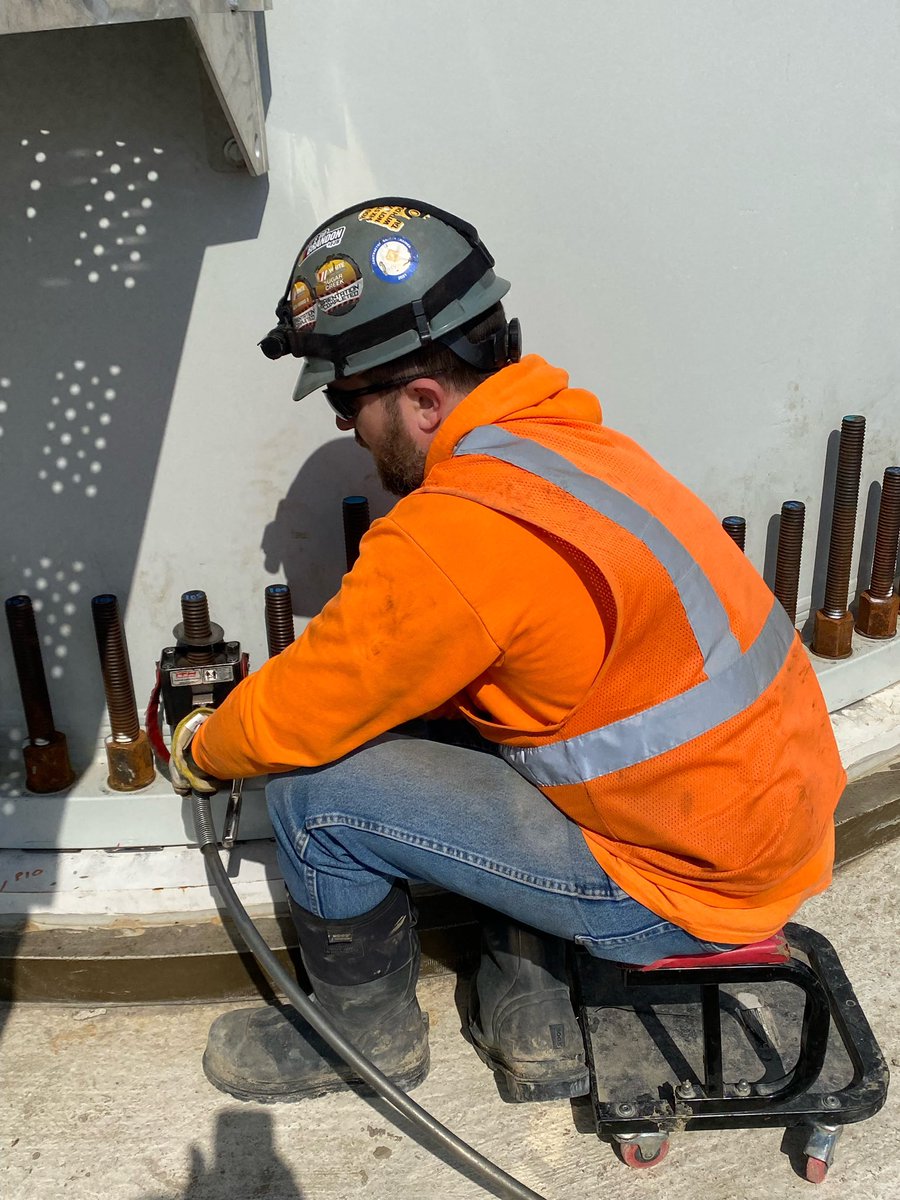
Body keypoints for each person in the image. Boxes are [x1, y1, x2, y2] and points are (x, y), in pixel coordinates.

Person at [173, 197, 845, 1105]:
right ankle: (525, 969)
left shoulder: (454, 539)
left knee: (309, 787)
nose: (342, 427)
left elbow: (303, 710)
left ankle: (362, 1034)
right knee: (455, 713)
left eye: (344, 399)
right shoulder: (574, 443)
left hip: (681, 893)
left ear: (420, 399)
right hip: (762, 832)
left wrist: (201, 750)